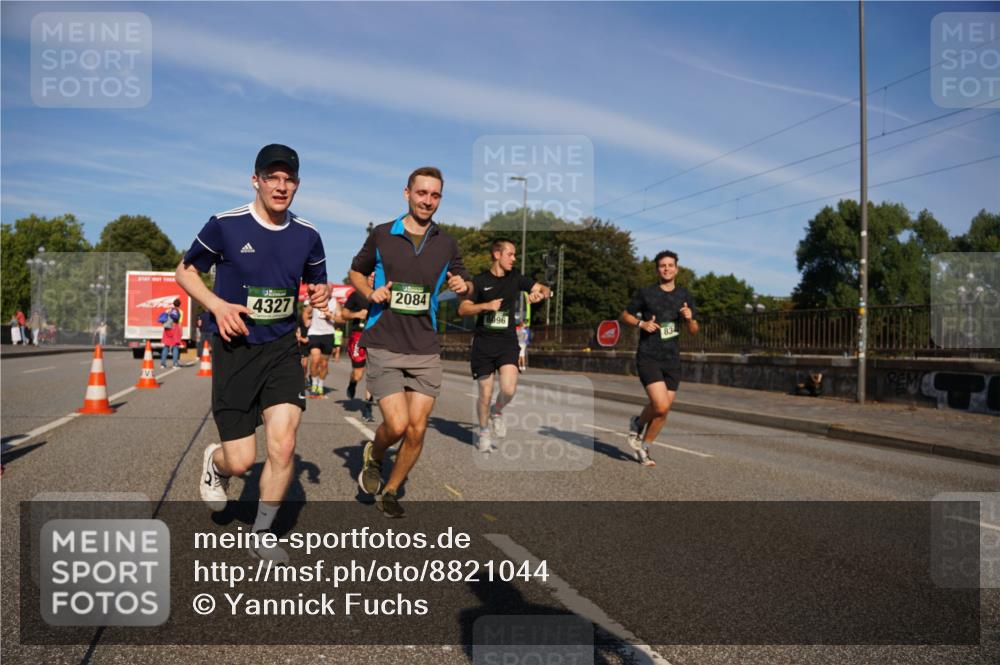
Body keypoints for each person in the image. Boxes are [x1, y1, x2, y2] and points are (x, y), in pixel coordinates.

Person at [176, 143, 329, 561]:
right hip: (236, 349)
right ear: (256, 180)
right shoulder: (225, 226)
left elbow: (319, 284)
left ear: (297, 184)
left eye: (289, 179)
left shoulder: (308, 234)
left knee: (283, 445)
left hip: (281, 349)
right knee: (242, 461)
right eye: (272, 178)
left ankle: (263, 532)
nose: (281, 186)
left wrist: (320, 292)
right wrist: (217, 305)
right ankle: (216, 463)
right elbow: (185, 271)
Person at [348, 166, 472, 517]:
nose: (427, 201)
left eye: (435, 195)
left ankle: (390, 489)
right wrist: (371, 292)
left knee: (417, 430)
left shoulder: (446, 243)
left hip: (425, 346)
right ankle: (375, 453)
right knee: (398, 425)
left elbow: (463, 278)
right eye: (422, 193)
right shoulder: (384, 235)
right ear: (407, 193)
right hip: (385, 340)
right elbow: (356, 270)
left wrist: (465, 285)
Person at [458, 239, 549, 453]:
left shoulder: (516, 278)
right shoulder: (479, 281)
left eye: (515, 255)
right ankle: (483, 433)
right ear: (497, 255)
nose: (514, 258)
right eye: (510, 254)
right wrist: (485, 306)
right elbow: (463, 309)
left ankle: (496, 411)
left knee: (508, 389)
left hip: (507, 342)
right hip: (483, 343)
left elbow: (544, 288)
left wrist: (540, 294)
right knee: (485, 393)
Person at [620, 250, 699, 467]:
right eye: (662, 265)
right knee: (661, 405)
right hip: (649, 355)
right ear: (658, 269)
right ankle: (637, 423)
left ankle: (644, 448)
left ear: (677, 268)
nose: (666, 268)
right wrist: (641, 324)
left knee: (662, 411)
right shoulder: (646, 293)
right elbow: (625, 315)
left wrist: (690, 318)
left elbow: (693, 330)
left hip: (672, 358)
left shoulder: (684, 296)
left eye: (670, 265)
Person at [342, 273, 375, 422]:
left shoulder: (383, 296)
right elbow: (344, 314)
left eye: (376, 276)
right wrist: (357, 314)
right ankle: (352, 383)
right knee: (358, 373)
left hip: (376, 338)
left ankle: (368, 407)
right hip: (358, 336)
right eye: (371, 277)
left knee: (373, 374)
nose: (373, 279)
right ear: (366, 278)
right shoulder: (356, 295)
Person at [305, 297, 339, 397]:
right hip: (314, 333)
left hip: (328, 334)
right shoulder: (315, 299)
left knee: (324, 364)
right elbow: (306, 312)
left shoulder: (335, 302)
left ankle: (320, 385)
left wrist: (331, 316)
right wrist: (306, 320)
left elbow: (341, 318)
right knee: (315, 360)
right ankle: (314, 385)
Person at [159, 298, 183, 367]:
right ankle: (175, 363)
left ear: (173, 304)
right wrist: (181, 332)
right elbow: (179, 323)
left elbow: (164, 318)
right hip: (175, 328)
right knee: (175, 346)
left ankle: (163, 364)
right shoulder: (180, 311)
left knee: (166, 346)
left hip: (167, 329)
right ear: (179, 304)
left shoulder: (168, 310)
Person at [296, 300, 312, 391]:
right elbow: (297, 331)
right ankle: (303, 379)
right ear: (303, 307)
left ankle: (308, 377)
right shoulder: (299, 317)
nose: (309, 307)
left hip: (312, 342)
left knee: (313, 363)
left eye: (310, 305)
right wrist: (302, 339)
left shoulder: (313, 317)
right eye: (306, 306)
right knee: (304, 365)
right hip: (302, 343)